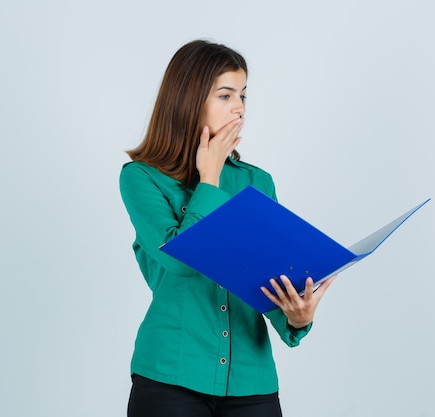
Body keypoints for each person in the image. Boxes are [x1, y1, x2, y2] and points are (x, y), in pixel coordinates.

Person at [119, 39, 336, 417]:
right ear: (189, 98)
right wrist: (210, 178)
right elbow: (182, 260)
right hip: (171, 377)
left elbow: (266, 277)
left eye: (243, 95)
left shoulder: (257, 183)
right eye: (225, 95)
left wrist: (296, 318)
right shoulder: (141, 178)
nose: (239, 107)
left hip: (252, 383)